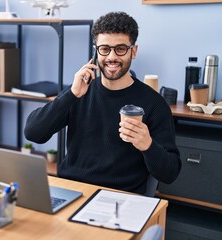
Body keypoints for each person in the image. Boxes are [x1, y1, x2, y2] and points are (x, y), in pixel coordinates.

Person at [24, 11, 181, 195]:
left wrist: (147, 145)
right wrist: (71, 95)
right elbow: (33, 132)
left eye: (120, 49)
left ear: (134, 51)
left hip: (119, 197)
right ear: (96, 50)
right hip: (72, 190)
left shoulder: (155, 104)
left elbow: (170, 173)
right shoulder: (79, 91)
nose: (111, 57)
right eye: (105, 49)